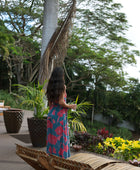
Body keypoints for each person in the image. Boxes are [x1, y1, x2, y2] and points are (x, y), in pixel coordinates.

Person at [46, 67, 77, 159]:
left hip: (51, 114)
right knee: (61, 138)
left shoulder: (50, 86)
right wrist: (70, 106)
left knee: (52, 138)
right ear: (61, 76)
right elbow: (61, 102)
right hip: (59, 116)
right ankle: (61, 159)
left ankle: (52, 158)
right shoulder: (62, 87)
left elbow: (50, 102)